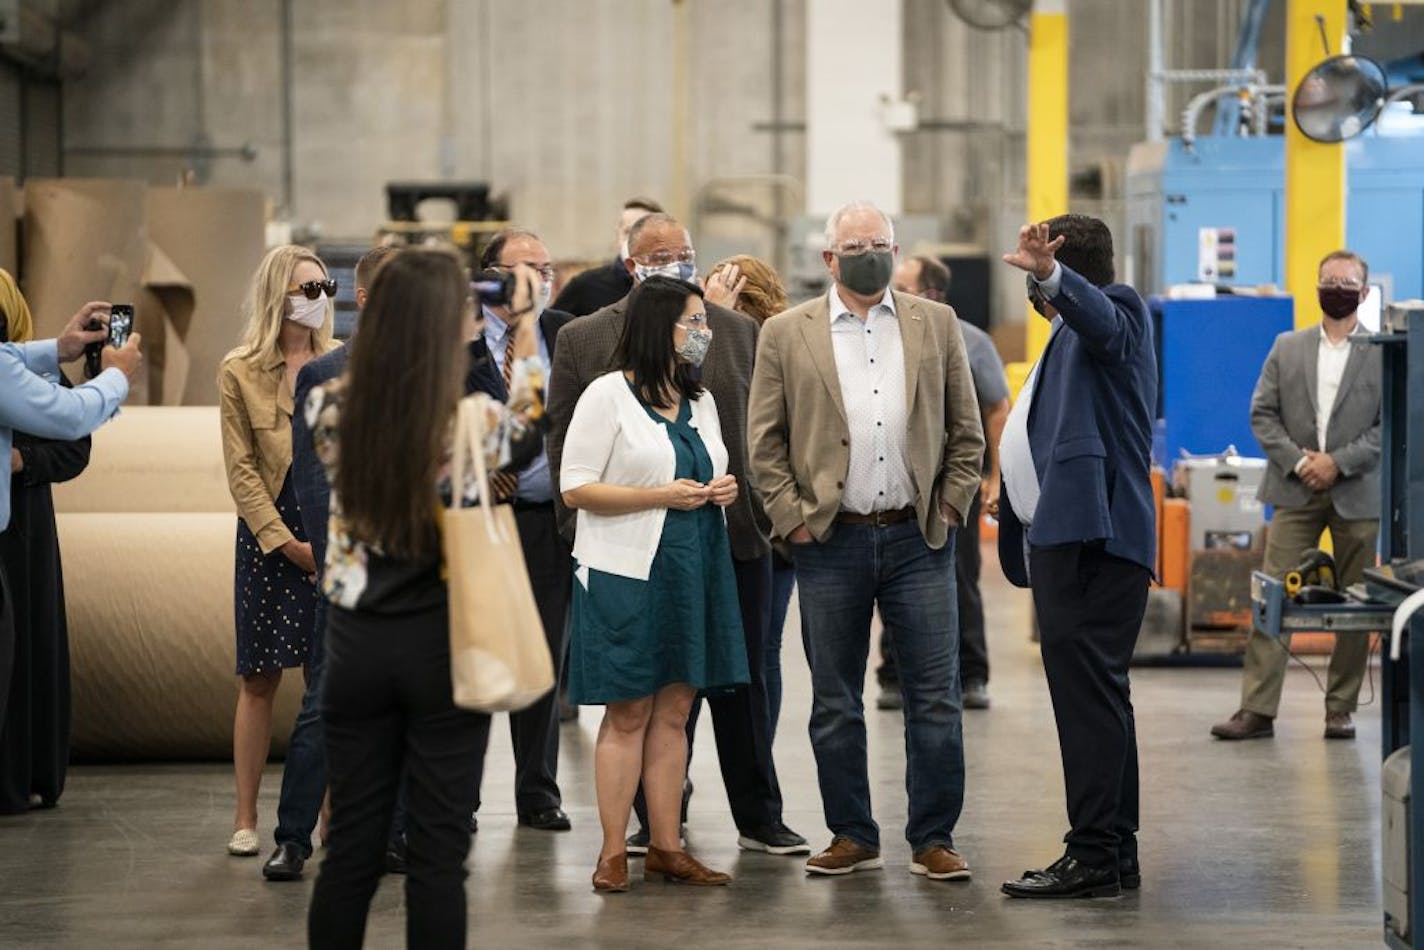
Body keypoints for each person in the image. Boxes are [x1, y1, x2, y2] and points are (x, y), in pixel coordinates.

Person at [547, 214, 807, 858]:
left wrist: (759, 511)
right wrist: (580, 535)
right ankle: (656, 822)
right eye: (660, 255)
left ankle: (759, 814)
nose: (676, 263)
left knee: (742, 683)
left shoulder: (739, 330)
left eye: (685, 253)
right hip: (628, 547)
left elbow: (755, 431)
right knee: (648, 697)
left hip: (727, 543)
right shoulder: (586, 340)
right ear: (630, 265)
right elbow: (565, 452)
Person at [305, 249, 544, 948]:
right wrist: (521, 328)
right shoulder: (470, 421)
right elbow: (530, 428)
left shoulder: (328, 404)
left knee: (350, 848)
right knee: (439, 858)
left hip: (355, 644)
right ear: (447, 324)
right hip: (445, 642)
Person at [747, 201, 985, 881]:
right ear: (829, 259)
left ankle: (933, 835)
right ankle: (852, 831)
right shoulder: (788, 335)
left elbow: (966, 430)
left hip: (918, 538)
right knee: (834, 699)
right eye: (855, 245)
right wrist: (791, 517)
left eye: (879, 243)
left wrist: (953, 501)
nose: (869, 254)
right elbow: (763, 441)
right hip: (829, 539)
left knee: (935, 696)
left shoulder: (935, 324)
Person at [561, 276, 744, 892]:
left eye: (704, 323)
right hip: (626, 571)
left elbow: (711, 466)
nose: (703, 333)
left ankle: (668, 845)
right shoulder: (606, 395)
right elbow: (576, 486)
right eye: (693, 322)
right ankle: (614, 851)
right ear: (657, 327)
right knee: (630, 710)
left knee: (677, 711)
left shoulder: (702, 400)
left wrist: (725, 487)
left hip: (696, 566)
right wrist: (659, 495)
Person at [996, 216, 1157, 900]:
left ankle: (1091, 853)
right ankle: (1114, 849)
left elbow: (1104, 321)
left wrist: (1050, 278)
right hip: (1078, 537)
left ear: (1064, 266)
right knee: (1100, 700)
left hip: (1094, 540)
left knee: (1087, 704)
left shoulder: (1117, 310)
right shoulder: (1068, 337)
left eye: (1044, 278)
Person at [262, 244, 397, 881]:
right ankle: (292, 837)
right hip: (346, 563)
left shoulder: (429, 371)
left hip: (413, 566)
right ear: (365, 298)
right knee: (324, 703)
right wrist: (329, 559)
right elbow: (312, 479)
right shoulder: (325, 373)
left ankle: (394, 835)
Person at [1211, 250, 1381, 742]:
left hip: (1358, 491)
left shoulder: (1382, 352)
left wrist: (1338, 462)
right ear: (1316, 286)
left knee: (1356, 604)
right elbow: (1262, 413)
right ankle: (1257, 709)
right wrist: (1302, 461)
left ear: (1364, 293)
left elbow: (1387, 425)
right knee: (1272, 597)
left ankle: (1340, 709)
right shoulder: (1287, 347)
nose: (1337, 287)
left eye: (1347, 281)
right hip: (1294, 487)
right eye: (1328, 279)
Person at [218, 245, 340, 857]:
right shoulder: (239, 370)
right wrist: (286, 543)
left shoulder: (342, 365)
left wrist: (332, 540)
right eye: (308, 289)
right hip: (271, 536)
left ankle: (328, 814)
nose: (319, 300)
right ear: (279, 295)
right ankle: (245, 816)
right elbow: (240, 471)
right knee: (259, 678)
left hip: (332, 531)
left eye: (325, 289)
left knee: (327, 681)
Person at [0, 297, 142, 815]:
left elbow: (69, 445)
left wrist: (58, 350)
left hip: (26, 527)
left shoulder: (17, 366)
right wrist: (115, 376)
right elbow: (71, 415)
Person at [467, 228, 575, 832]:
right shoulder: (459, 337)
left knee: (540, 659)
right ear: (491, 276)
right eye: (526, 267)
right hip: (475, 519)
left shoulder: (565, 333)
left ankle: (537, 791)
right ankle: (462, 797)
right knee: (477, 653)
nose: (539, 278)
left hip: (543, 521)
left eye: (547, 266)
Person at [877, 255, 1011, 712]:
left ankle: (972, 674)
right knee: (890, 580)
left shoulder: (970, 342)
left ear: (931, 293)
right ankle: (892, 674)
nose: (890, 293)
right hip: (897, 484)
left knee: (960, 579)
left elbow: (996, 410)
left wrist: (993, 477)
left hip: (954, 484)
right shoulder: (883, 338)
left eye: (903, 286)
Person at [703, 254, 793, 738]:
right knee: (760, 654)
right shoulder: (698, 337)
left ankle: (757, 757)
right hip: (729, 514)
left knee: (762, 653)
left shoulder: (776, 343)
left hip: (765, 523)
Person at [551, 197, 663, 317]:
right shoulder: (586, 285)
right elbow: (551, 329)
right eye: (628, 232)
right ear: (617, 235)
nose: (635, 241)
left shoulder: (670, 288)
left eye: (645, 234)